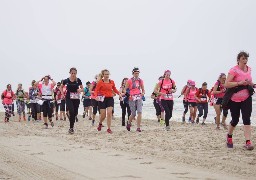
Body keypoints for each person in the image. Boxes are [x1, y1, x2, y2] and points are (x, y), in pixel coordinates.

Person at [225, 51, 254, 150]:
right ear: (238, 60)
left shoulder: (249, 69)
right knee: (235, 120)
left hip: (246, 98)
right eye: (243, 59)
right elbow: (227, 84)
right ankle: (229, 136)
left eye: (246, 59)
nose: (245, 61)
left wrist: (252, 85)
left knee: (247, 119)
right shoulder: (234, 70)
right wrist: (239, 83)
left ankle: (248, 142)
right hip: (234, 99)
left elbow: (249, 81)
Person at [94, 69, 121, 134]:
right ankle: (100, 123)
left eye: (108, 74)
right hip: (102, 99)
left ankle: (109, 128)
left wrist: (119, 94)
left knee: (109, 113)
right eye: (106, 74)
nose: (107, 75)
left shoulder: (111, 81)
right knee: (103, 115)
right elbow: (96, 90)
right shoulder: (100, 82)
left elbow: (114, 89)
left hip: (110, 99)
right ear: (103, 75)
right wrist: (96, 96)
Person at [61, 67, 83, 134]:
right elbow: (61, 87)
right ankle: (71, 128)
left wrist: (80, 90)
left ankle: (71, 117)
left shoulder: (78, 80)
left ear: (76, 73)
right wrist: (62, 94)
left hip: (76, 98)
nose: (73, 74)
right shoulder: (66, 80)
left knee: (75, 113)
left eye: (75, 73)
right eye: (72, 73)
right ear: (70, 73)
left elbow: (82, 88)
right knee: (72, 111)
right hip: (68, 97)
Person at [125, 67, 145, 132]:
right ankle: (128, 122)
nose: (137, 74)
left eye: (138, 73)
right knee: (133, 113)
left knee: (139, 112)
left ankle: (138, 127)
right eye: (135, 73)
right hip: (132, 97)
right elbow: (125, 90)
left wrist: (143, 93)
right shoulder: (129, 80)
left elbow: (143, 89)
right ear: (133, 73)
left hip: (139, 96)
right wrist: (129, 95)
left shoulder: (140, 80)